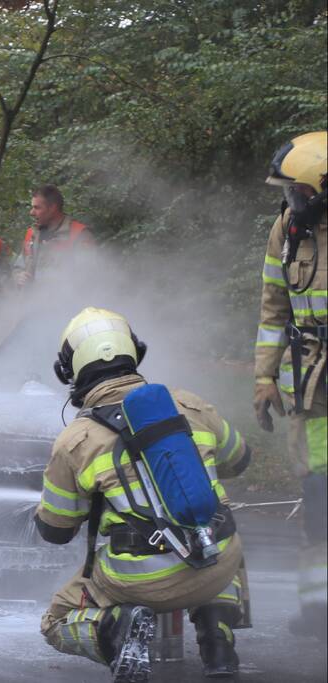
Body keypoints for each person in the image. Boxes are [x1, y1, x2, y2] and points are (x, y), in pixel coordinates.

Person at [37, 307, 251, 682]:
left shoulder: (75, 442)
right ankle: (219, 641)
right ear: (135, 351)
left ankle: (116, 632)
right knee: (221, 526)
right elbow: (240, 459)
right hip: (218, 567)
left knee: (55, 620)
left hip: (139, 584)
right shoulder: (190, 404)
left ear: (69, 371)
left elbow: (56, 530)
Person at [253, 130, 327, 641]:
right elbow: (273, 310)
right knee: (318, 499)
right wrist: (263, 375)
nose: (290, 203)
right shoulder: (286, 230)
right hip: (312, 387)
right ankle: (318, 608)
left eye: (297, 193)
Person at [13, 184, 93, 287]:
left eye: (37, 208)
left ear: (52, 208)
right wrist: (19, 276)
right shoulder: (31, 234)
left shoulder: (79, 234)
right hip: (32, 302)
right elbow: (18, 267)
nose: (31, 212)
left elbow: (90, 278)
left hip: (67, 302)